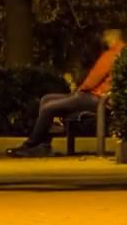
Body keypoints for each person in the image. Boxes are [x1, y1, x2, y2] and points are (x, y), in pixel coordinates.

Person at [9, 27, 124, 156]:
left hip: (97, 98)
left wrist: (79, 91)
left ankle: (30, 145)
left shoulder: (113, 54)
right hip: (96, 97)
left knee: (48, 108)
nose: (103, 40)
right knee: (47, 99)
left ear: (112, 38)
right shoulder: (120, 53)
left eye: (105, 37)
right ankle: (43, 146)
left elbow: (94, 79)